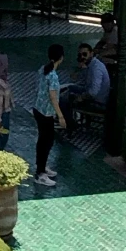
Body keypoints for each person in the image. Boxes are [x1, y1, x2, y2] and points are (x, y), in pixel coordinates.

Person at [32, 42, 66, 185]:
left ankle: (42, 166)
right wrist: (60, 116)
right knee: (46, 141)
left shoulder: (43, 69)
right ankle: (40, 173)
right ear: (61, 58)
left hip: (38, 109)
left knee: (45, 140)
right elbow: (53, 97)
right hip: (46, 113)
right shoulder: (53, 76)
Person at [69, 41, 110, 127]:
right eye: (80, 55)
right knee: (70, 88)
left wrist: (81, 97)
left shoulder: (96, 69)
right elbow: (75, 78)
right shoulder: (89, 65)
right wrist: (79, 68)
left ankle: (69, 122)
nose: (82, 57)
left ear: (91, 53)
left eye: (85, 54)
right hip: (91, 92)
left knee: (65, 99)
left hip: (98, 102)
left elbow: (93, 93)